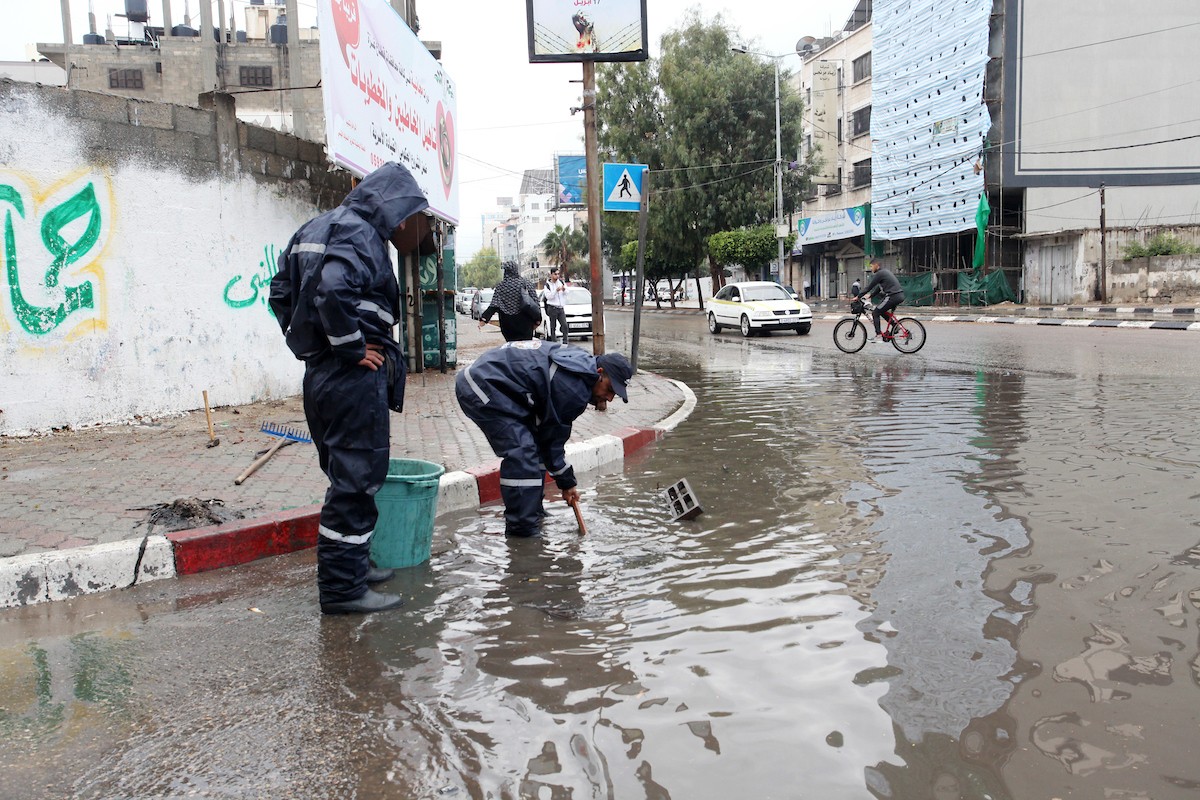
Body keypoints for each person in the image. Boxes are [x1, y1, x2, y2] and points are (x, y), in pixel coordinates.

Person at [268, 161, 434, 615]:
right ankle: (343, 590)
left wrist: (311, 344)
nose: (403, 224)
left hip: (321, 377)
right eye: (402, 213)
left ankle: (355, 568)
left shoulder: (313, 227)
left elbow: (280, 294)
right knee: (356, 482)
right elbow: (333, 290)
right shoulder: (360, 232)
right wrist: (351, 348)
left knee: (346, 476)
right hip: (352, 377)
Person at [455, 341, 634, 538]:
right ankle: (522, 532)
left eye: (614, 394)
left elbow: (547, 440)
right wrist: (567, 483)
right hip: (481, 386)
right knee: (522, 454)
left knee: (535, 448)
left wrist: (565, 480)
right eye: (610, 389)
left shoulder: (580, 365)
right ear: (599, 373)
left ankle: (532, 512)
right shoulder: (573, 389)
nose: (609, 398)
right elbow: (553, 442)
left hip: (502, 387)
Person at [479, 261, 541, 341]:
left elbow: (494, 305)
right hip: (525, 324)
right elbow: (535, 304)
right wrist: (537, 320)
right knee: (525, 348)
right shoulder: (526, 283)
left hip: (508, 325)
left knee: (511, 348)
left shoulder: (501, 286)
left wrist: (484, 319)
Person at [852, 258, 906, 342]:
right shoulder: (884, 272)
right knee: (882, 311)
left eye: (871, 266)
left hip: (893, 296)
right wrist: (871, 295)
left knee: (875, 312)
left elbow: (869, 286)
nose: (871, 268)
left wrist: (858, 296)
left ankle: (878, 335)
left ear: (877, 265)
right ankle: (895, 326)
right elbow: (878, 287)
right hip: (898, 295)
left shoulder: (880, 274)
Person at [542, 266, 569, 344]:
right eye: (555, 274)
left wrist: (564, 290)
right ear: (551, 275)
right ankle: (554, 342)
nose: (557, 276)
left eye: (558, 274)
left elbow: (567, 292)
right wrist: (555, 291)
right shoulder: (547, 285)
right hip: (552, 308)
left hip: (560, 308)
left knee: (564, 325)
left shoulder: (561, 282)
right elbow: (548, 296)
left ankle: (565, 341)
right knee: (553, 326)